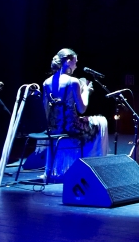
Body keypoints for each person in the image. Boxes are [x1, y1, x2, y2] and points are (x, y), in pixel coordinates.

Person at [41, 48, 109, 181]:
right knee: (101, 122)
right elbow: (82, 109)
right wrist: (87, 91)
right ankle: (94, 168)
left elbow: (44, 110)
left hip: (53, 129)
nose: (76, 65)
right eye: (75, 62)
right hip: (71, 128)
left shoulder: (46, 82)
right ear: (68, 61)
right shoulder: (73, 81)